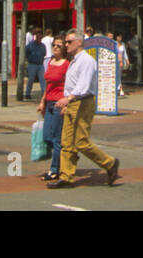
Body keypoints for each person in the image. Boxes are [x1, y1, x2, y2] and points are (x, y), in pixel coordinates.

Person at [47, 29, 120, 190]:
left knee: (80, 141)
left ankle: (109, 163)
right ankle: (66, 176)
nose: (66, 45)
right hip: (73, 102)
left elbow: (83, 85)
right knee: (67, 141)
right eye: (65, 42)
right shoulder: (74, 60)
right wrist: (67, 102)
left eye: (69, 42)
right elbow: (71, 84)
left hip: (83, 102)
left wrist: (68, 98)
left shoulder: (86, 60)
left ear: (79, 42)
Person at [37, 37, 70, 181]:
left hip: (59, 104)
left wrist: (66, 103)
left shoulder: (67, 65)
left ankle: (55, 170)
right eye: (54, 45)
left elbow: (70, 86)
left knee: (56, 138)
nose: (55, 47)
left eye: (59, 45)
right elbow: (48, 84)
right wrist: (42, 101)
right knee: (46, 137)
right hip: (49, 102)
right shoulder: (50, 62)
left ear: (64, 49)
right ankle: (63, 158)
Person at [24, 31, 46, 100]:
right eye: (38, 38)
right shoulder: (30, 45)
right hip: (32, 64)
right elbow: (27, 53)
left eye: (40, 38)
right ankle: (27, 93)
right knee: (31, 79)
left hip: (40, 64)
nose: (39, 40)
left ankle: (44, 93)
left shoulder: (43, 46)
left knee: (42, 79)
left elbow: (44, 53)